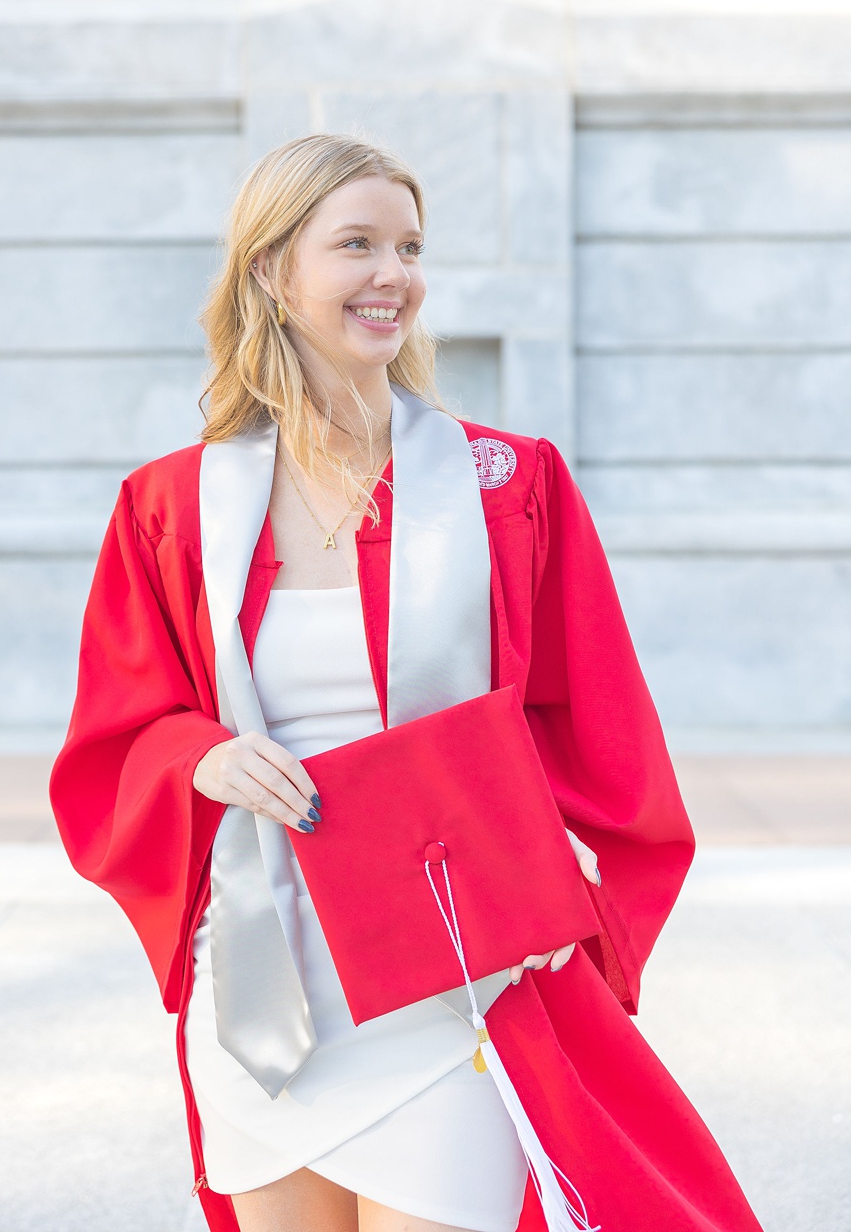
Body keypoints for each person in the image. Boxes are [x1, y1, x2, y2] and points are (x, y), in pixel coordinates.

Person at [50, 134, 764, 1232]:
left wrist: (572, 914)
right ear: (271, 276)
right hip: (264, 976)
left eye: (410, 247)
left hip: (453, 980)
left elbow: (610, 744)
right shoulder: (173, 506)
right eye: (357, 245)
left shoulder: (506, 488)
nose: (396, 275)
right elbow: (116, 733)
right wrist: (201, 754)